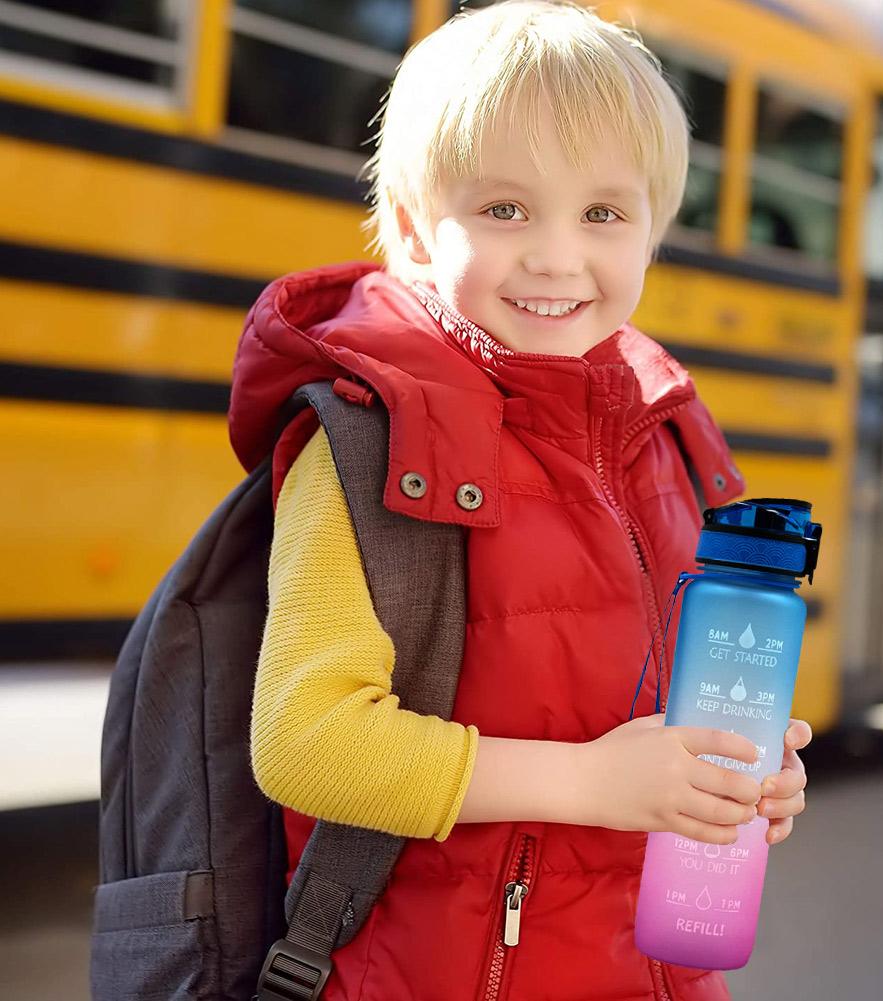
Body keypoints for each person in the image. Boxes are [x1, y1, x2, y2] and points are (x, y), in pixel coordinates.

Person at [228, 3, 812, 998]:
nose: (554, 256)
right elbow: (305, 740)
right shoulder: (370, 444)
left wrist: (730, 780)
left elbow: (659, 723)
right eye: (503, 209)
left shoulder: (666, 436)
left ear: (653, 227)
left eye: (601, 213)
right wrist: (591, 782)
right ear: (412, 226)